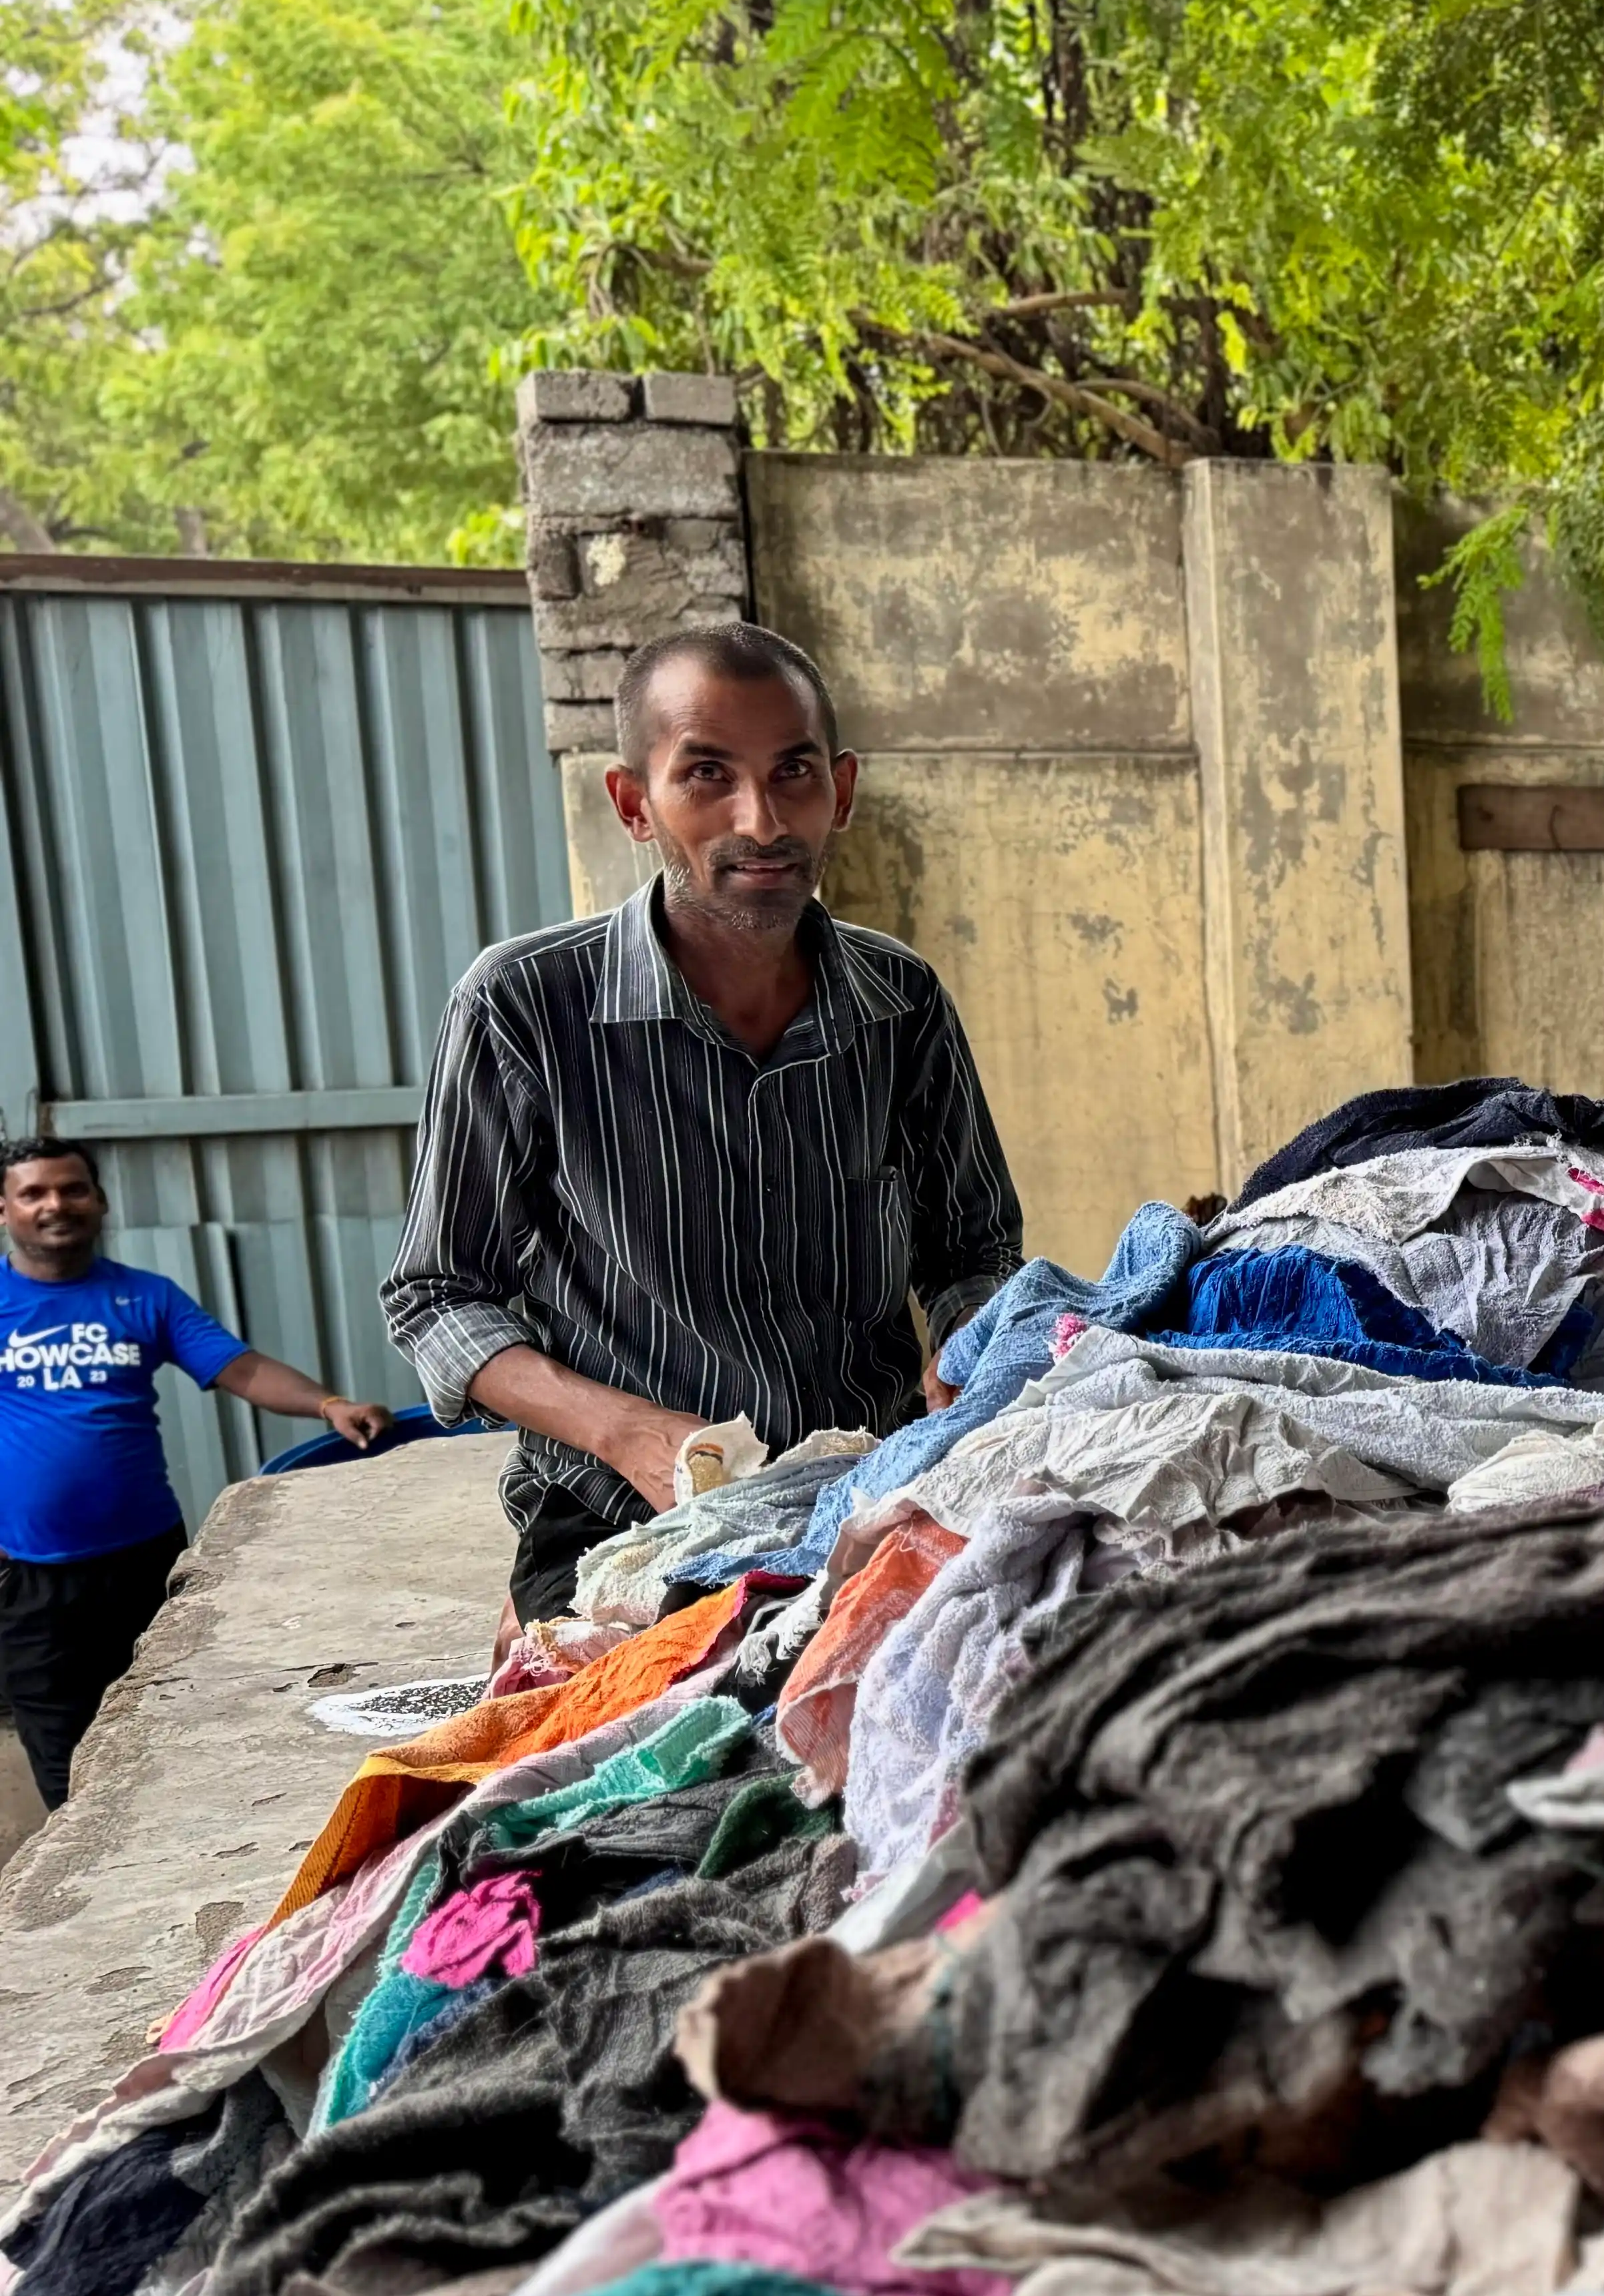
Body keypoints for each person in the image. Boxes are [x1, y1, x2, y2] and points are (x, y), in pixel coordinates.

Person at [383, 621, 1023, 1632]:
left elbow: (972, 1246)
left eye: (794, 772)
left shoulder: (901, 1001)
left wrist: (965, 1346)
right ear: (635, 804)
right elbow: (437, 1297)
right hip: (615, 1513)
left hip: (864, 1493)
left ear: (842, 791)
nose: (762, 820)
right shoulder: (525, 1006)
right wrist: (626, 1430)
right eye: (708, 775)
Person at [2, 1136, 388, 1807]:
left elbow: (242, 1368)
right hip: (30, 1577)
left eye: (72, 1189)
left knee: (167, 1721)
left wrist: (329, 1404)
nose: (56, 1204)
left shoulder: (144, 1298)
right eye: (34, 1193)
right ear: (4, 1209)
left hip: (145, 1561)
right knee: (63, 1752)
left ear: (99, 1202)